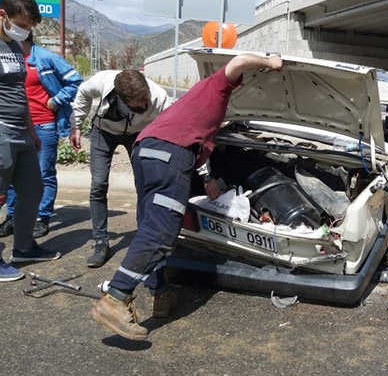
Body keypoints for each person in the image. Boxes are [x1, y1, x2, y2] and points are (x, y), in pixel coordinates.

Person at [90, 53, 283, 340]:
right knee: (162, 230)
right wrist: (272, 63)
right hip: (170, 153)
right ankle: (116, 296)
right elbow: (240, 61)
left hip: (147, 150)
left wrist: (205, 178)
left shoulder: (200, 101)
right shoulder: (217, 86)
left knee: (149, 225)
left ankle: (161, 294)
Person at [70, 70, 171, 268]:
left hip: (137, 134)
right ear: (122, 98)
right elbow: (83, 91)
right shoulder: (103, 82)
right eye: (139, 104)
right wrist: (77, 125)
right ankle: (101, 242)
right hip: (103, 132)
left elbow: (174, 123)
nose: (145, 105)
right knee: (98, 184)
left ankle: (143, 240)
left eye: (146, 101)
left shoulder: (159, 97)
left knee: (144, 184)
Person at [0, 0, 62, 282]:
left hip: (22, 131)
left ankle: (23, 247)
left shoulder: (14, 46)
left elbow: (19, 92)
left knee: (33, 189)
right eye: (21, 23)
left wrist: (30, 130)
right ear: (3, 16)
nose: (25, 30)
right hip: (1, 132)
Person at [0, 32, 83, 239]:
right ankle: (12, 216)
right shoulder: (8, 57)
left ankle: (42, 217)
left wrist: (56, 101)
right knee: (11, 174)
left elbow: (75, 80)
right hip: (15, 125)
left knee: (44, 173)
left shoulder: (44, 57)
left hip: (44, 124)